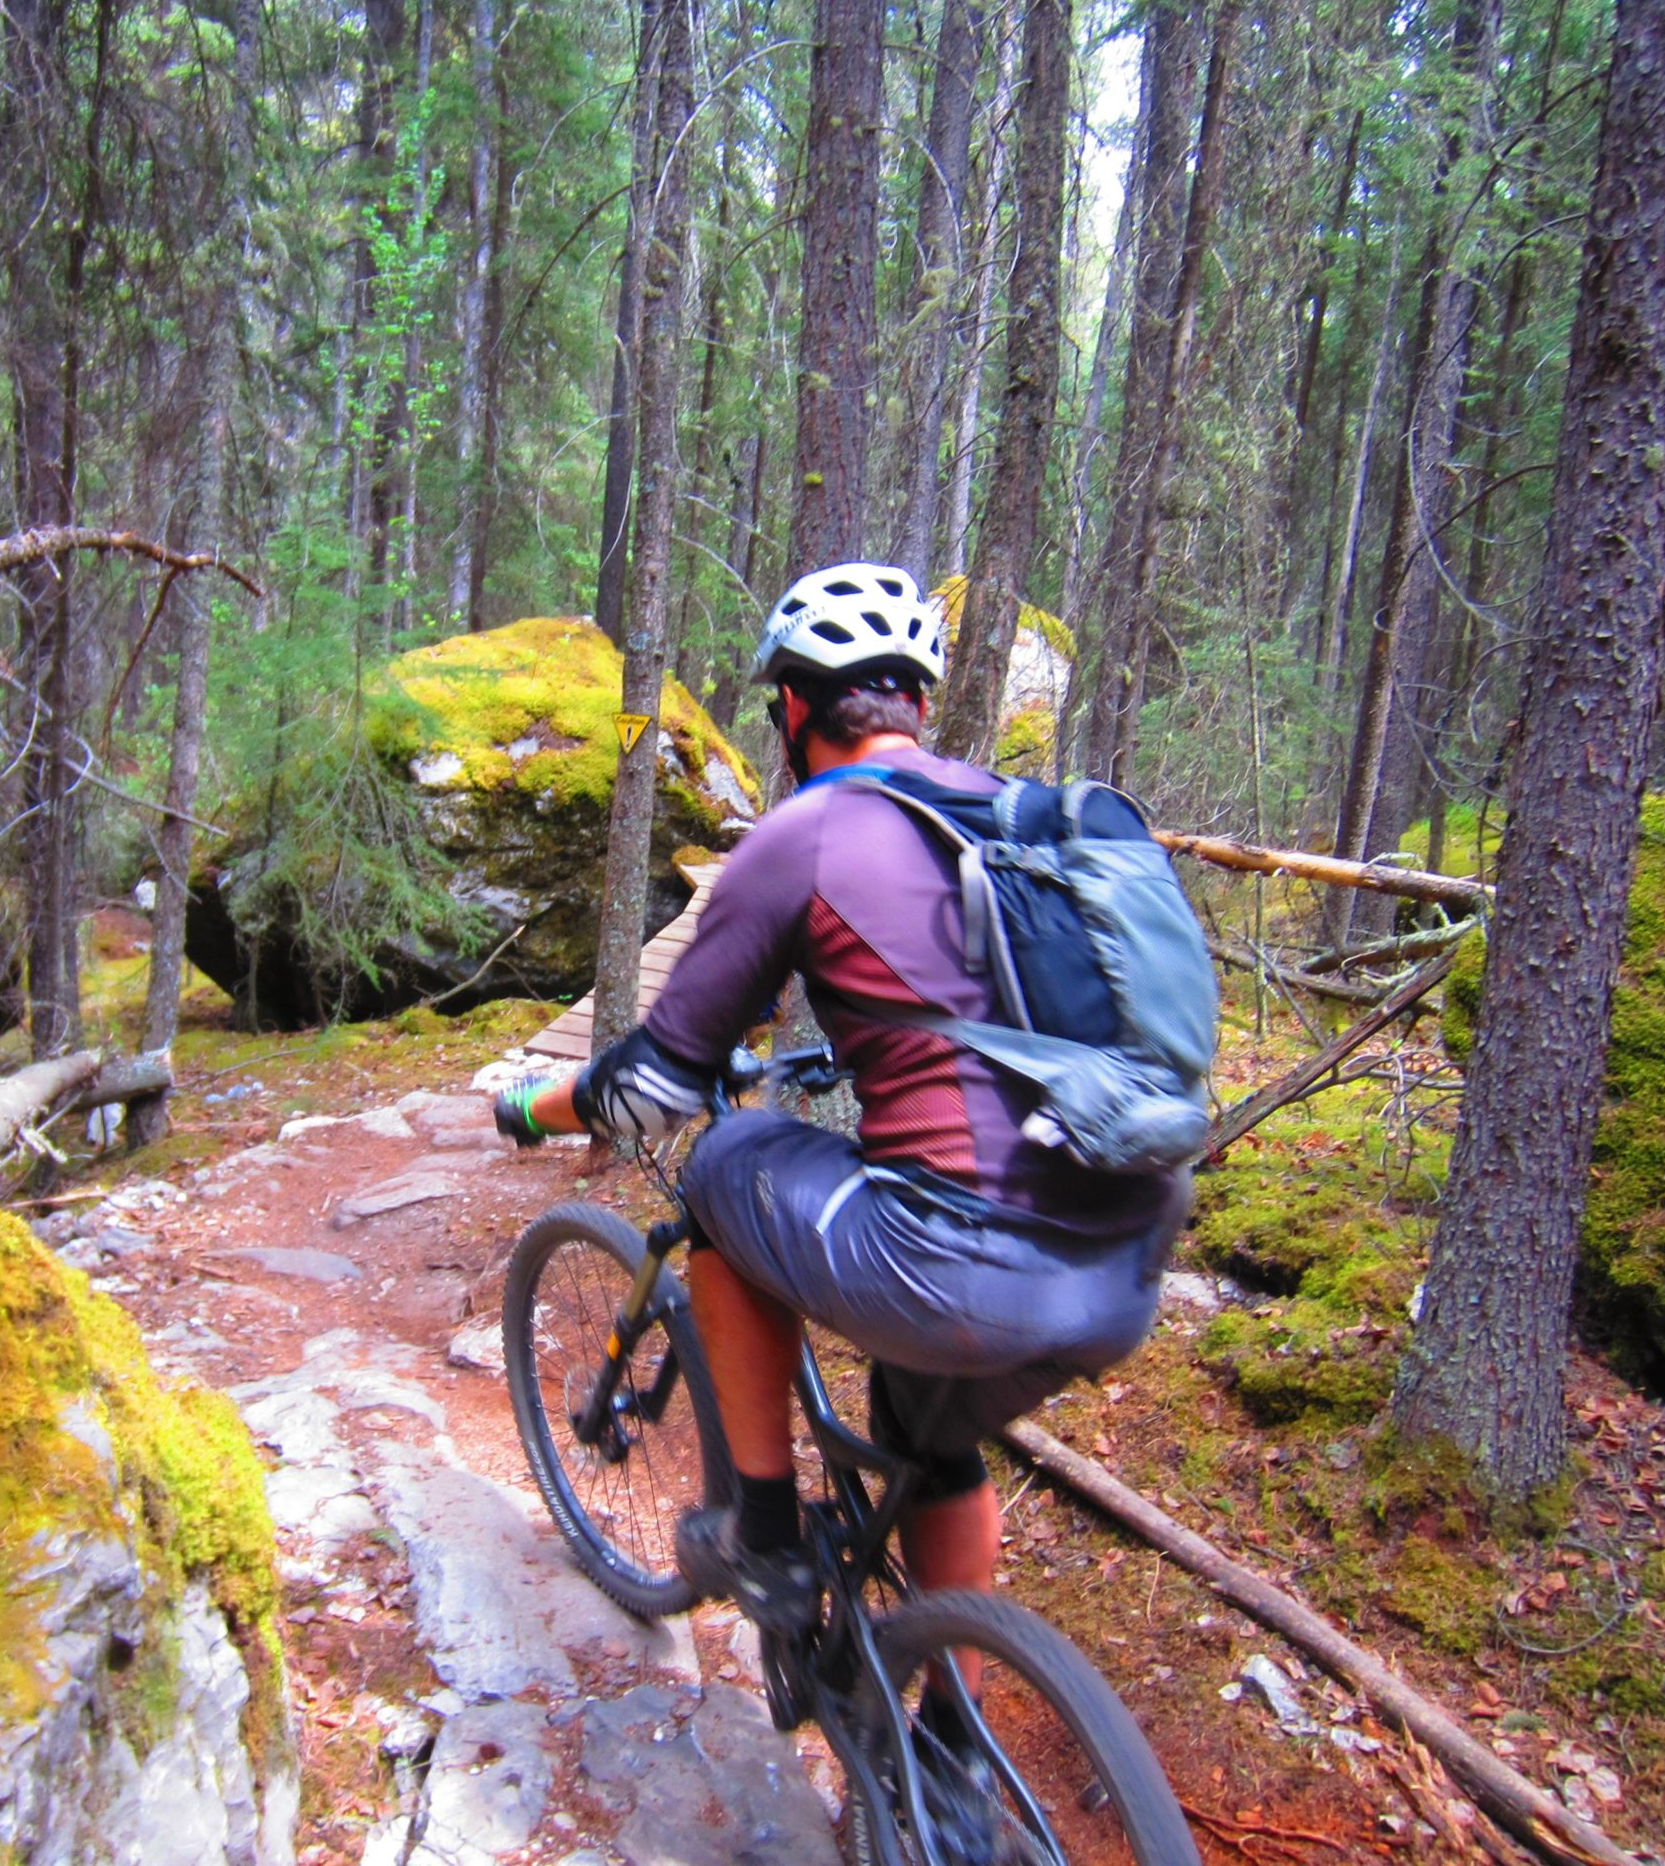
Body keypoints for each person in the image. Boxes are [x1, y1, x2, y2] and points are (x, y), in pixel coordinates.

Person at [495, 561, 1191, 1639]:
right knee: (927, 1433)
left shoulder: (805, 834)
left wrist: (535, 1107)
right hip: (1124, 1263)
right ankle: (951, 1750)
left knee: (726, 1169)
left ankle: (762, 1535)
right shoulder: (1020, 822)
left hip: (960, 1271)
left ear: (790, 708)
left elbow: (652, 1088)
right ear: (916, 700)